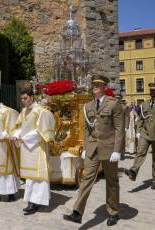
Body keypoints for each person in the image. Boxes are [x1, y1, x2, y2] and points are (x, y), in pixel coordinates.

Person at [63, 75, 124, 226]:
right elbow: (87, 129)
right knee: (86, 179)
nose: (94, 86)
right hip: (92, 148)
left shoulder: (114, 103)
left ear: (105, 87)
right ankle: (77, 212)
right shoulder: (88, 106)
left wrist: (117, 150)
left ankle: (113, 211)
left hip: (109, 148)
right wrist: (85, 147)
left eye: (98, 84)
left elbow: (119, 129)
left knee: (111, 181)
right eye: (93, 84)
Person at [12, 88, 55, 215]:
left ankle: (36, 201)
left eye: (25, 98)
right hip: (26, 147)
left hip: (37, 147)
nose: (23, 101)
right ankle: (31, 199)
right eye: (21, 99)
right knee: (30, 176)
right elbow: (20, 126)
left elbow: (41, 131)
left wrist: (24, 138)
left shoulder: (41, 111)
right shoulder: (24, 111)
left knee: (38, 175)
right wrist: (16, 135)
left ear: (31, 97)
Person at [125, 83, 155, 190]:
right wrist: (138, 131)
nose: (152, 92)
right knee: (140, 152)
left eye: (154, 91)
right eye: (151, 91)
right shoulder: (144, 104)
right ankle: (133, 171)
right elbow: (141, 118)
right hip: (145, 133)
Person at [114, 94, 130, 160]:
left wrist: (126, 126)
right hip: (114, 126)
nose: (117, 99)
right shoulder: (113, 106)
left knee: (122, 140)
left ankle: (122, 153)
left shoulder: (124, 107)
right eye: (116, 98)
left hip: (122, 126)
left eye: (118, 98)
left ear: (121, 99)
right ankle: (115, 152)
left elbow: (127, 117)